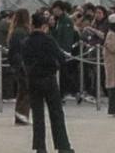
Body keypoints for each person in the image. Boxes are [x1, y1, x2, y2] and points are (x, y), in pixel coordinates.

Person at [19, 11, 74, 153]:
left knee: (38, 115)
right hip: (49, 79)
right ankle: (63, 146)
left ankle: (40, 147)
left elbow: (23, 61)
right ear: (44, 26)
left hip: (33, 80)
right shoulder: (48, 40)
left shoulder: (26, 42)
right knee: (56, 113)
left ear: (32, 25)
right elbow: (61, 58)